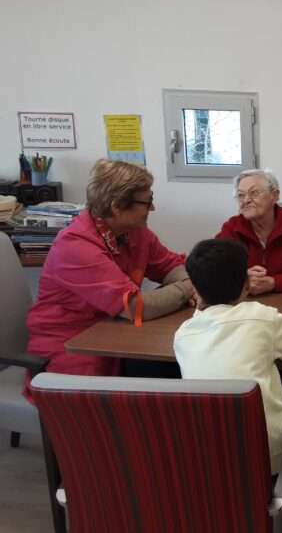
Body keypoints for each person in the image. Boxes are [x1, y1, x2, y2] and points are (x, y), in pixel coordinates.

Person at [24, 160, 194, 399]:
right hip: (73, 350)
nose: (153, 208)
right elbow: (136, 308)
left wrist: (186, 283)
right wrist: (188, 288)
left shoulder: (135, 232)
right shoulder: (75, 246)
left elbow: (171, 265)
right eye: (147, 202)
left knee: (180, 371)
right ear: (117, 207)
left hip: (115, 335)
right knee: (164, 380)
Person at [174, 239, 282, 473]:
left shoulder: (183, 335)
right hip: (272, 456)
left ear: (195, 289)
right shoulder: (260, 317)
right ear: (246, 284)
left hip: (212, 458)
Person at [216, 169, 282, 295]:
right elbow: (211, 268)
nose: (246, 200)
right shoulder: (232, 227)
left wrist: (273, 283)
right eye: (241, 195)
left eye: (254, 193)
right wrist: (242, 278)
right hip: (247, 301)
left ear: (275, 195)